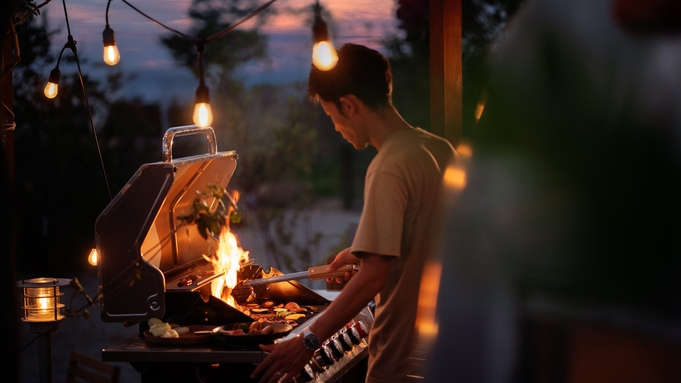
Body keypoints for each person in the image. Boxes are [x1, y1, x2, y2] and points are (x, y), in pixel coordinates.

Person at [250, 43, 460, 383]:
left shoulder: (387, 167)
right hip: (446, 352)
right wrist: (360, 254)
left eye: (332, 117)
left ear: (348, 105)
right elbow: (430, 247)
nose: (336, 127)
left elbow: (375, 276)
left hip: (402, 361)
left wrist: (308, 339)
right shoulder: (439, 149)